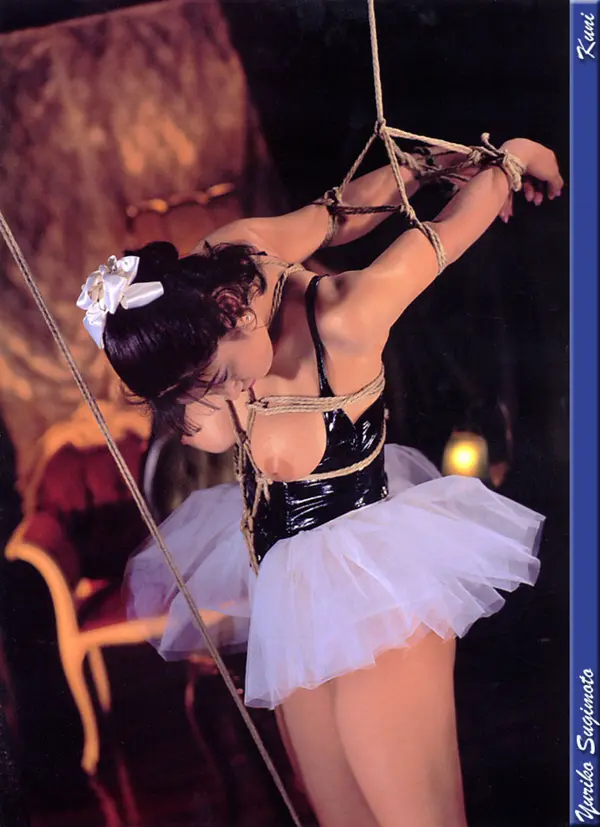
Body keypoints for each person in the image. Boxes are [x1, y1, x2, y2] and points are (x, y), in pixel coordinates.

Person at [77, 136, 562, 827]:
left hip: (375, 588)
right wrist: (425, 165)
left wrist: (508, 163)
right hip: (290, 588)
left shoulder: (347, 316)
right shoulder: (225, 257)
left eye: (221, 379)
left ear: (234, 310)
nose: (225, 402)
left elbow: (447, 235)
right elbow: (335, 215)